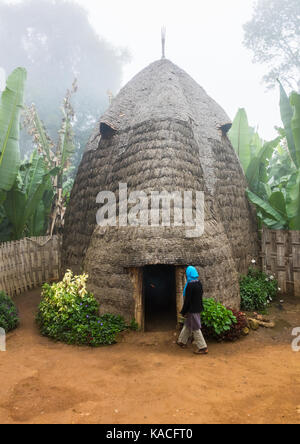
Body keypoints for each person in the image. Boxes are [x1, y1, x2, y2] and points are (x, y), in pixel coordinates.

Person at [177, 266, 208, 355]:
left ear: (188, 274)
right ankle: (181, 341)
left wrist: (183, 311)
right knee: (188, 325)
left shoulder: (190, 285)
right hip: (198, 308)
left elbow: (187, 301)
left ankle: (203, 347)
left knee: (195, 328)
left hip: (192, 310)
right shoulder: (199, 283)